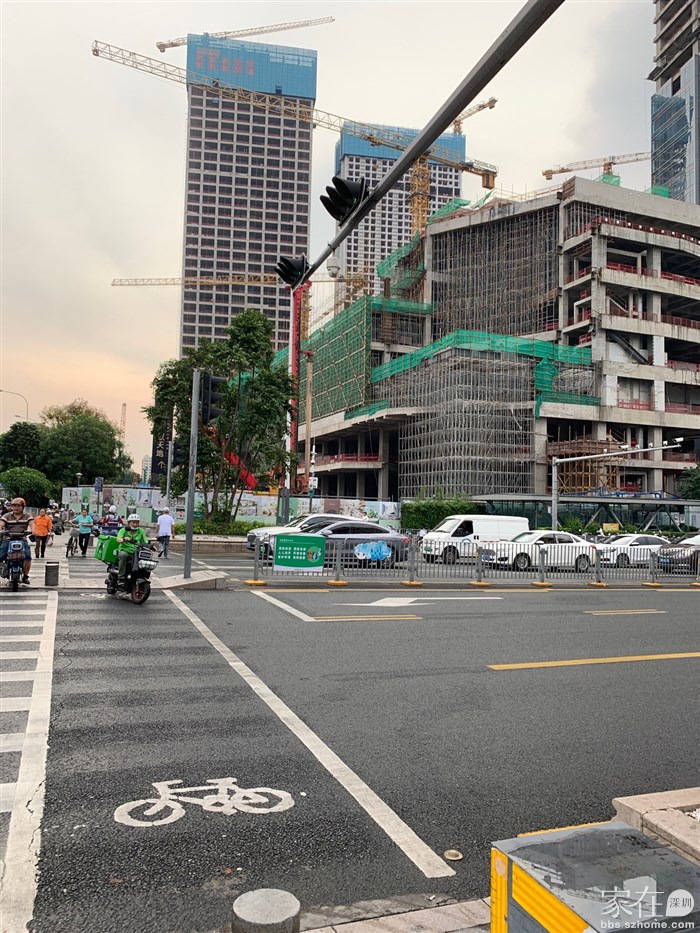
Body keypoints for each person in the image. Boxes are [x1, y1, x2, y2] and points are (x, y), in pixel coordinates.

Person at [0, 498, 35, 584]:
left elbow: (32, 524)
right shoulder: (6, 516)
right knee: (1, 556)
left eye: (18, 506)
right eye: (14, 505)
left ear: (23, 507)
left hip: (22, 539)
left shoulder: (27, 515)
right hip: (8, 539)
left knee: (28, 557)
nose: (16, 507)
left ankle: (25, 576)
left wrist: (33, 530)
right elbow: (1, 524)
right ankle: (3, 569)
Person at [115, 514, 149, 587]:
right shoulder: (123, 530)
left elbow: (145, 541)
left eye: (137, 522)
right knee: (123, 555)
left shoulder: (141, 531)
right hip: (125, 550)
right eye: (133, 522)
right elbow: (118, 539)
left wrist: (151, 546)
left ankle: (142, 576)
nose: (135, 524)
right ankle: (121, 578)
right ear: (129, 523)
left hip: (136, 552)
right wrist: (124, 539)